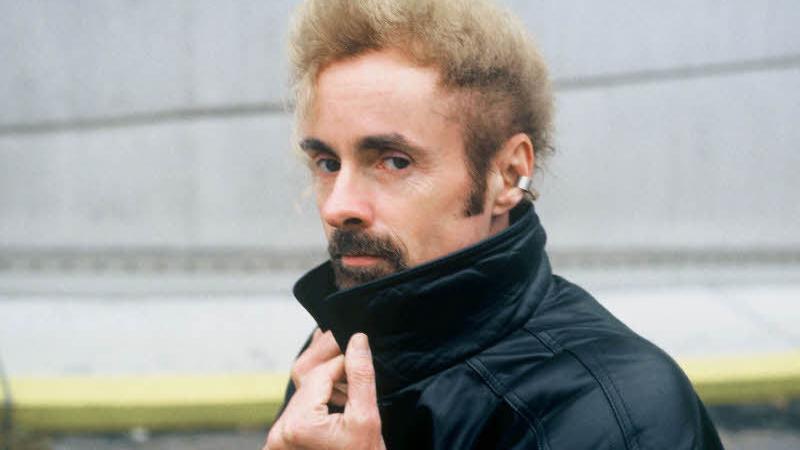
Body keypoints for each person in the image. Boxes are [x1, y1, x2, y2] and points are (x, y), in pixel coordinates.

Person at [264, 0, 724, 449]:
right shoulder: (339, 349)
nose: (337, 207)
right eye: (327, 163)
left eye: (394, 161)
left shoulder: (617, 416)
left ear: (508, 175)